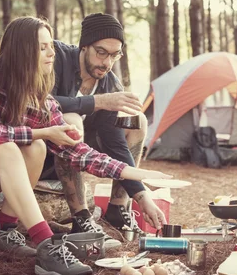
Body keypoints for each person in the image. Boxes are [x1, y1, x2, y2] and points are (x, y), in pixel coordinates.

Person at [0, 16, 171, 275]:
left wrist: (132, 174)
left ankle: (4, 230)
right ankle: (47, 245)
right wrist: (45, 132)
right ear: (21, 49)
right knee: (10, 148)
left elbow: (74, 150)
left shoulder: (38, 93)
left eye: (50, 46)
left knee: (36, 147)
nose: (52, 52)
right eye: (42, 47)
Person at [41, 12, 165, 247]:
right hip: (39, 153)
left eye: (114, 55)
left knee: (136, 120)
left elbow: (115, 144)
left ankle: (118, 208)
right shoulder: (56, 58)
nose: (107, 63)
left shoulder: (109, 82)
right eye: (101, 52)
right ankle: (81, 219)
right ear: (84, 46)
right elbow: (40, 101)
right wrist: (97, 102)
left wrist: (142, 196)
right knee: (71, 120)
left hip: (81, 159)